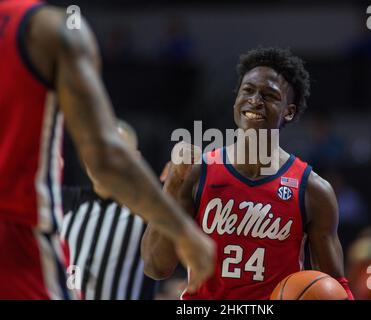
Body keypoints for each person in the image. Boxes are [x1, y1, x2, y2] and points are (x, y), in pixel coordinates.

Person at [0, 0, 214, 299]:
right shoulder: (54, 29)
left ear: (137, 158)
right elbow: (107, 157)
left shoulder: (140, 215)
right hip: (16, 233)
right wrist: (186, 234)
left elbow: (157, 266)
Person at [141, 47, 354, 300]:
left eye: (269, 95)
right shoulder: (197, 172)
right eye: (248, 90)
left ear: (289, 111)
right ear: (236, 101)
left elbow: (336, 289)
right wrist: (174, 184)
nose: (255, 100)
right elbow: (155, 267)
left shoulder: (313, 190)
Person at [61, 121, 157, 300]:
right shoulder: (64, 201)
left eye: (116, 151)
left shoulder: (149, 212)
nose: (103, 160)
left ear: (135, 159)